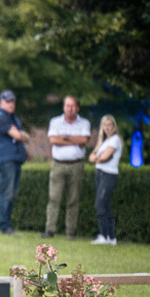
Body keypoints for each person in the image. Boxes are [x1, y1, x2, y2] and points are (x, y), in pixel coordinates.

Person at [44, 95, 91, 239]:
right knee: (54, 198)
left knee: (73, 199)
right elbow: (53, 140)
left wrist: (64, 137)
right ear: (63, 107)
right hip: (58, 164)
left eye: (72, 106)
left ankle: (70, 231)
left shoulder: (84, 123)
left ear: (77, 108)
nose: (69, 109)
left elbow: (84, 140)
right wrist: (74, 140)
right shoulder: (55, 122)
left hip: (76, 164)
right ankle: (50, 230)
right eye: (67, 106)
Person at [0, 90, 30, 235]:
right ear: (1, 102)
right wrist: (20, 135)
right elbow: (19, 135)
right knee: (7, 193)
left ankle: (7, 226)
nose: (11, 104)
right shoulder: (1, 117)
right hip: (7, 160)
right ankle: (4, 227)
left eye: (12, 101)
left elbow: (24, 135)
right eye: (8, 101)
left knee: (12, 193)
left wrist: (21, 135)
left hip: (14, 159)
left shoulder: (12, 117)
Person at [89, 115, 122, 246]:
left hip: (109, 175)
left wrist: (98, 157)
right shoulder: (102, 141)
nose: (107, 127)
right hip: (100, 174)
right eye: (105, 125)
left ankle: (104, 235)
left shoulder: (115, 140)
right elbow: (92, 157)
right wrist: (98, 157)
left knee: (99, 205)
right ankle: (110, 237)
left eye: (109, 125)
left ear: (114, 126)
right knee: (106, 206)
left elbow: (105, 157)